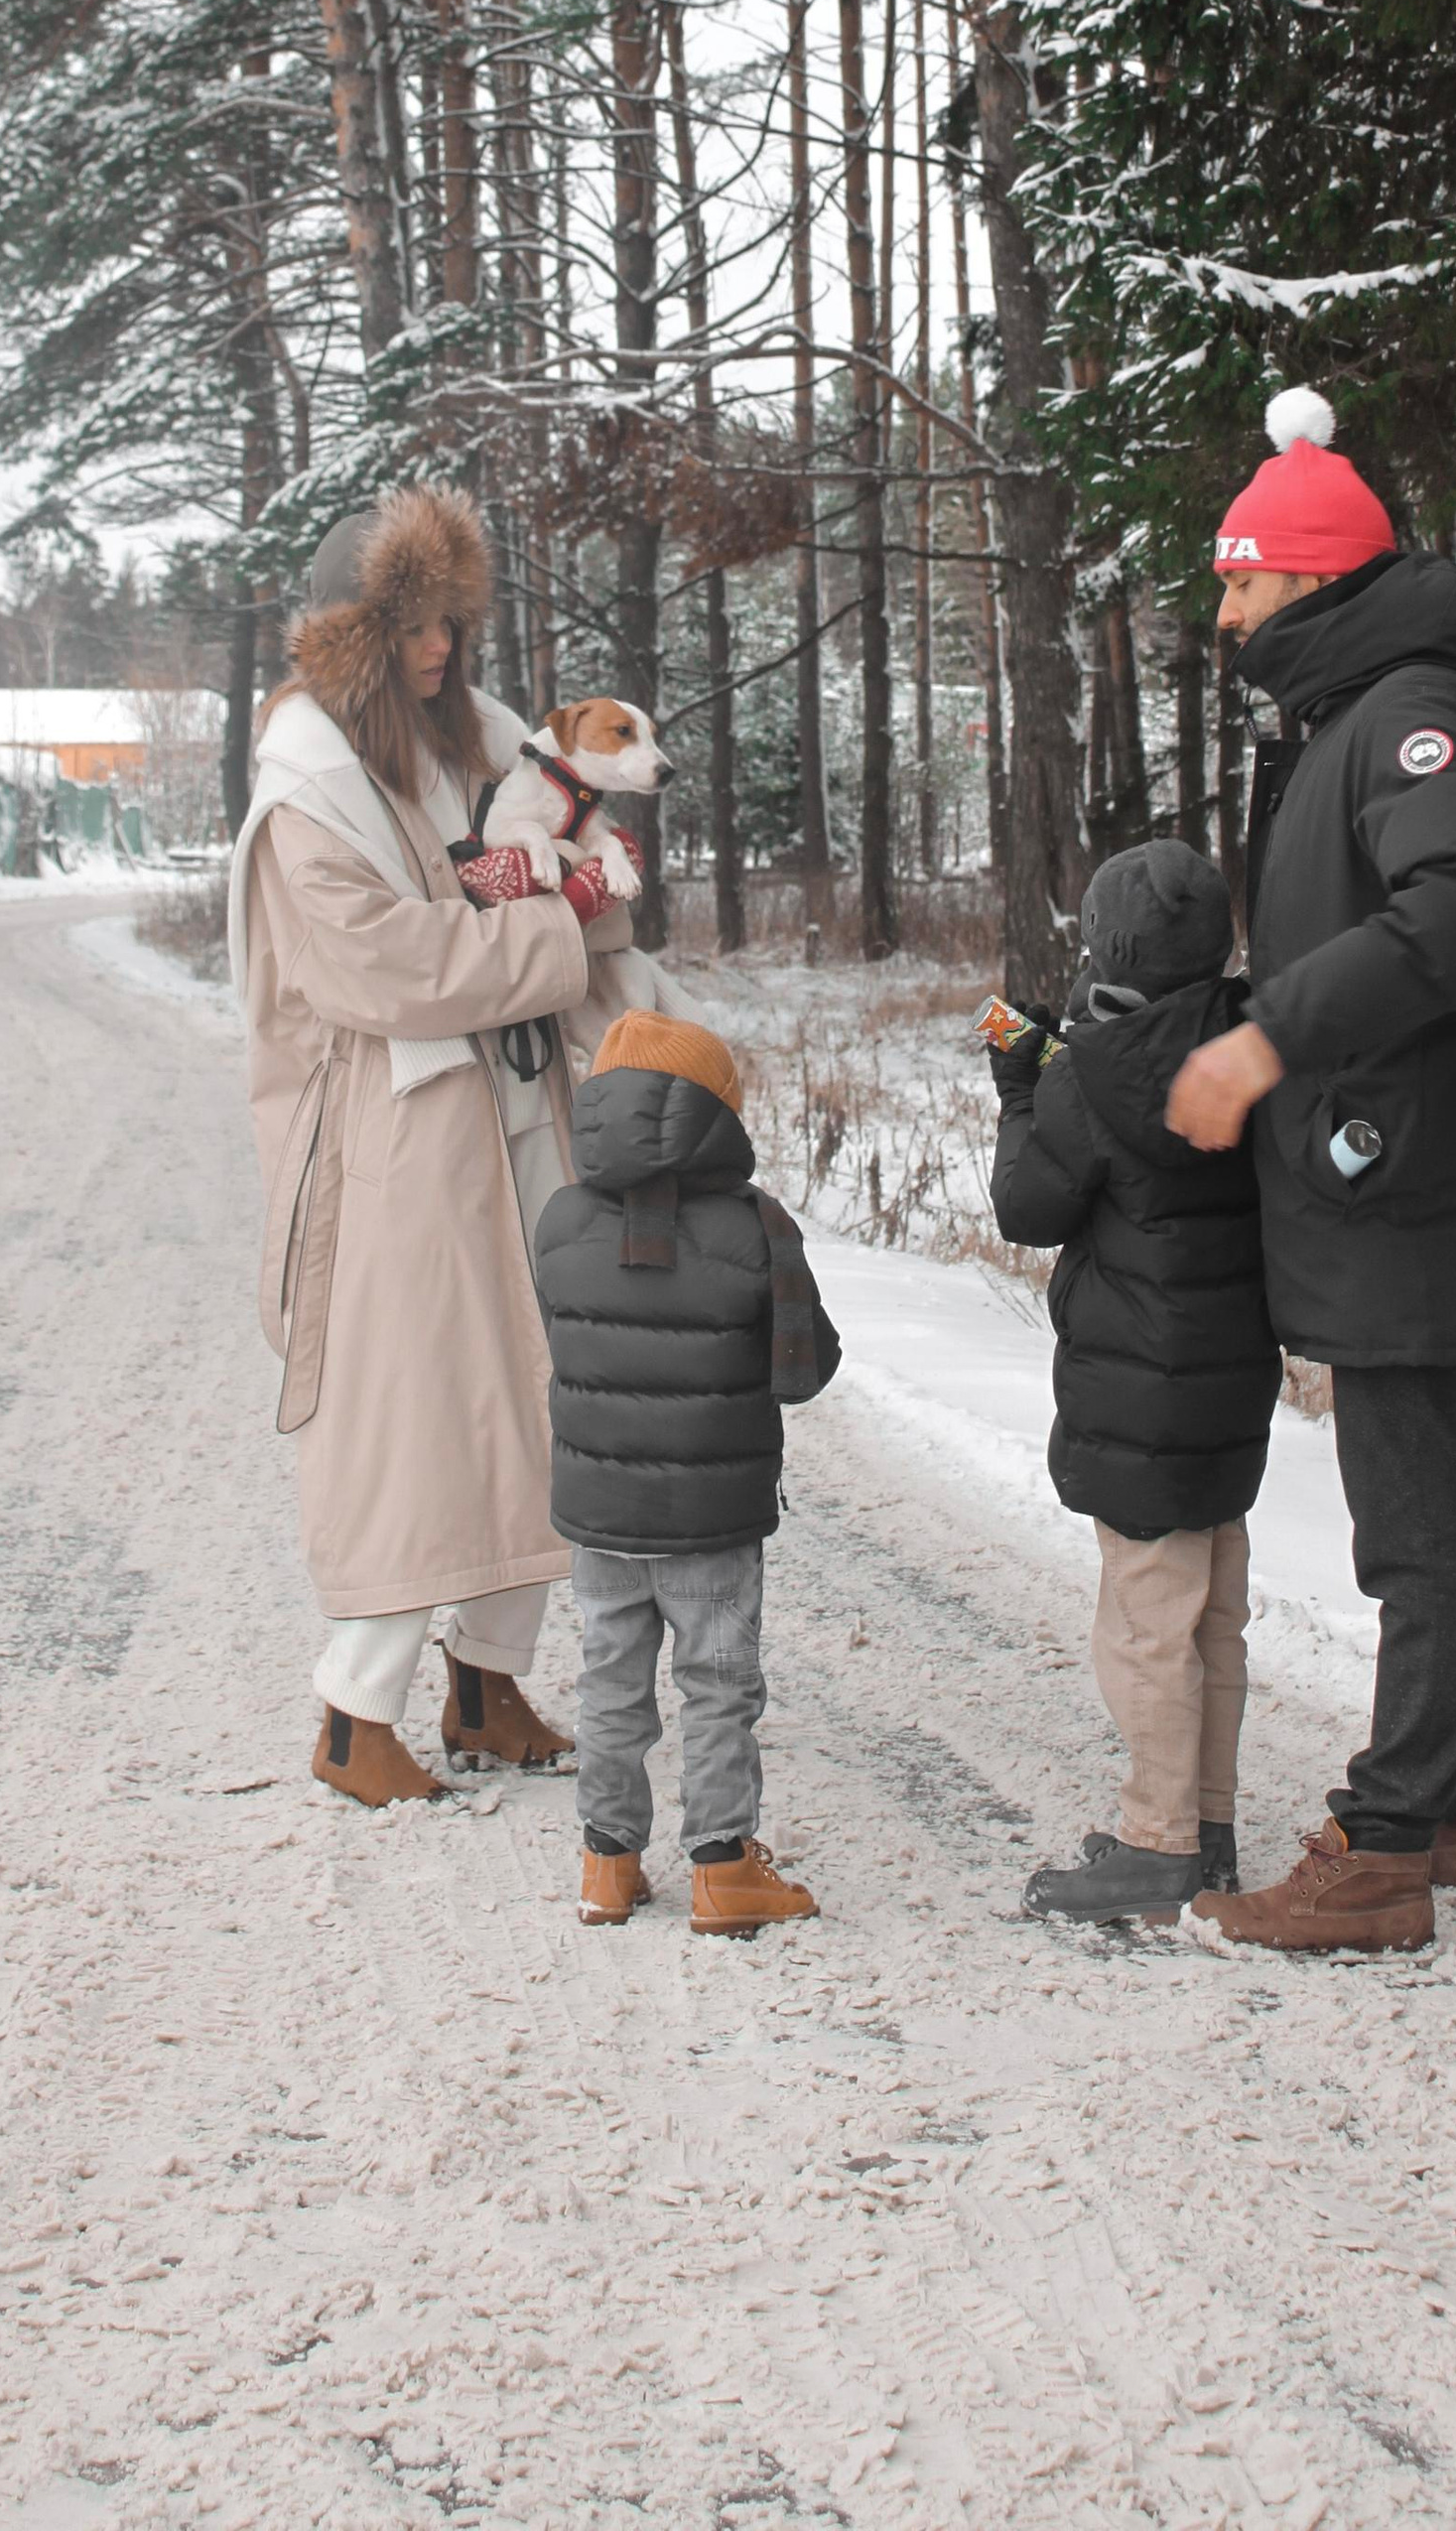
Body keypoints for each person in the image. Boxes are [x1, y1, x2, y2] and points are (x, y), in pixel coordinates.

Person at [1168, 389, 1456, 1956]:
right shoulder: (1362, 710)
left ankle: (1385, 1844)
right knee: (1437, 1497)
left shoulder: (1416, 712)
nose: (1228, 609)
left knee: (1413, 1518)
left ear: (1315, 581)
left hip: (1410, 1172)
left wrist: (1271, 1041)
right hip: (1405, 1163)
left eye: (1246, 580)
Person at [229, 483, 671, 1808]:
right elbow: (386, 968)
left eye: (449, 624)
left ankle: (488, 1677)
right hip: (391, 1145)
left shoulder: (471, 754)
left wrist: (579, 899)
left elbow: (559, 875)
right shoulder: (307, 797)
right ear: (356, 637)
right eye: (413, 626)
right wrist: (551, 932)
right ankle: (352, 1710)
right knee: (410, 1417)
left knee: (528, 1403)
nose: (438, 650)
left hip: (510, 1113)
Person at [987, 839, 1280, 1927]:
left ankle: (1156, 1846)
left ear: (1107, 946)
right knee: (1213, 1617)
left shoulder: (1089, 1072)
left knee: (1146, 1621)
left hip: (1133, 1390)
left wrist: (1020, 1086)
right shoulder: (1256, 1042)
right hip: (1231, 1377)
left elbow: (1027, 1207)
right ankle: (1203, 1827)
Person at [528, 1009, 839, 1937]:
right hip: (711, 1516)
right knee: (717, 1686)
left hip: (600, 1513)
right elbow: (806, 1372)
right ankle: (722, 1870)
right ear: (718, 1115)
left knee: (610, 1684)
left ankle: (608, 1867)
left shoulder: (560, 1217)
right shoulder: (757, 1229)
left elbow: (569, 1345)